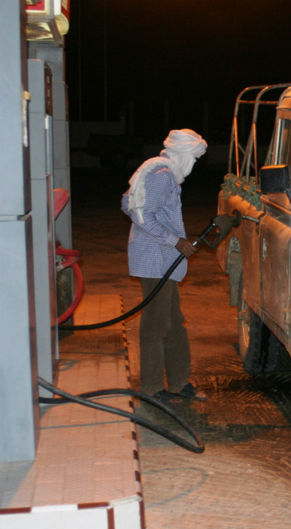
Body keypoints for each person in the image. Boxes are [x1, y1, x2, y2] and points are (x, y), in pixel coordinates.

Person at [121, 128, 207, 401]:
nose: (194, 164)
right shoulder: (162, 175)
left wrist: (174, 243)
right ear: (183, 155)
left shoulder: (157, 172)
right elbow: (140, 214)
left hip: (163, 259)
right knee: (157, 325)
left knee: (174, 323)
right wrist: (175, 241)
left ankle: (179, 383)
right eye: (193, 157)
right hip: (155, 261)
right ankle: (152, 387)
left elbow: (127, 201)